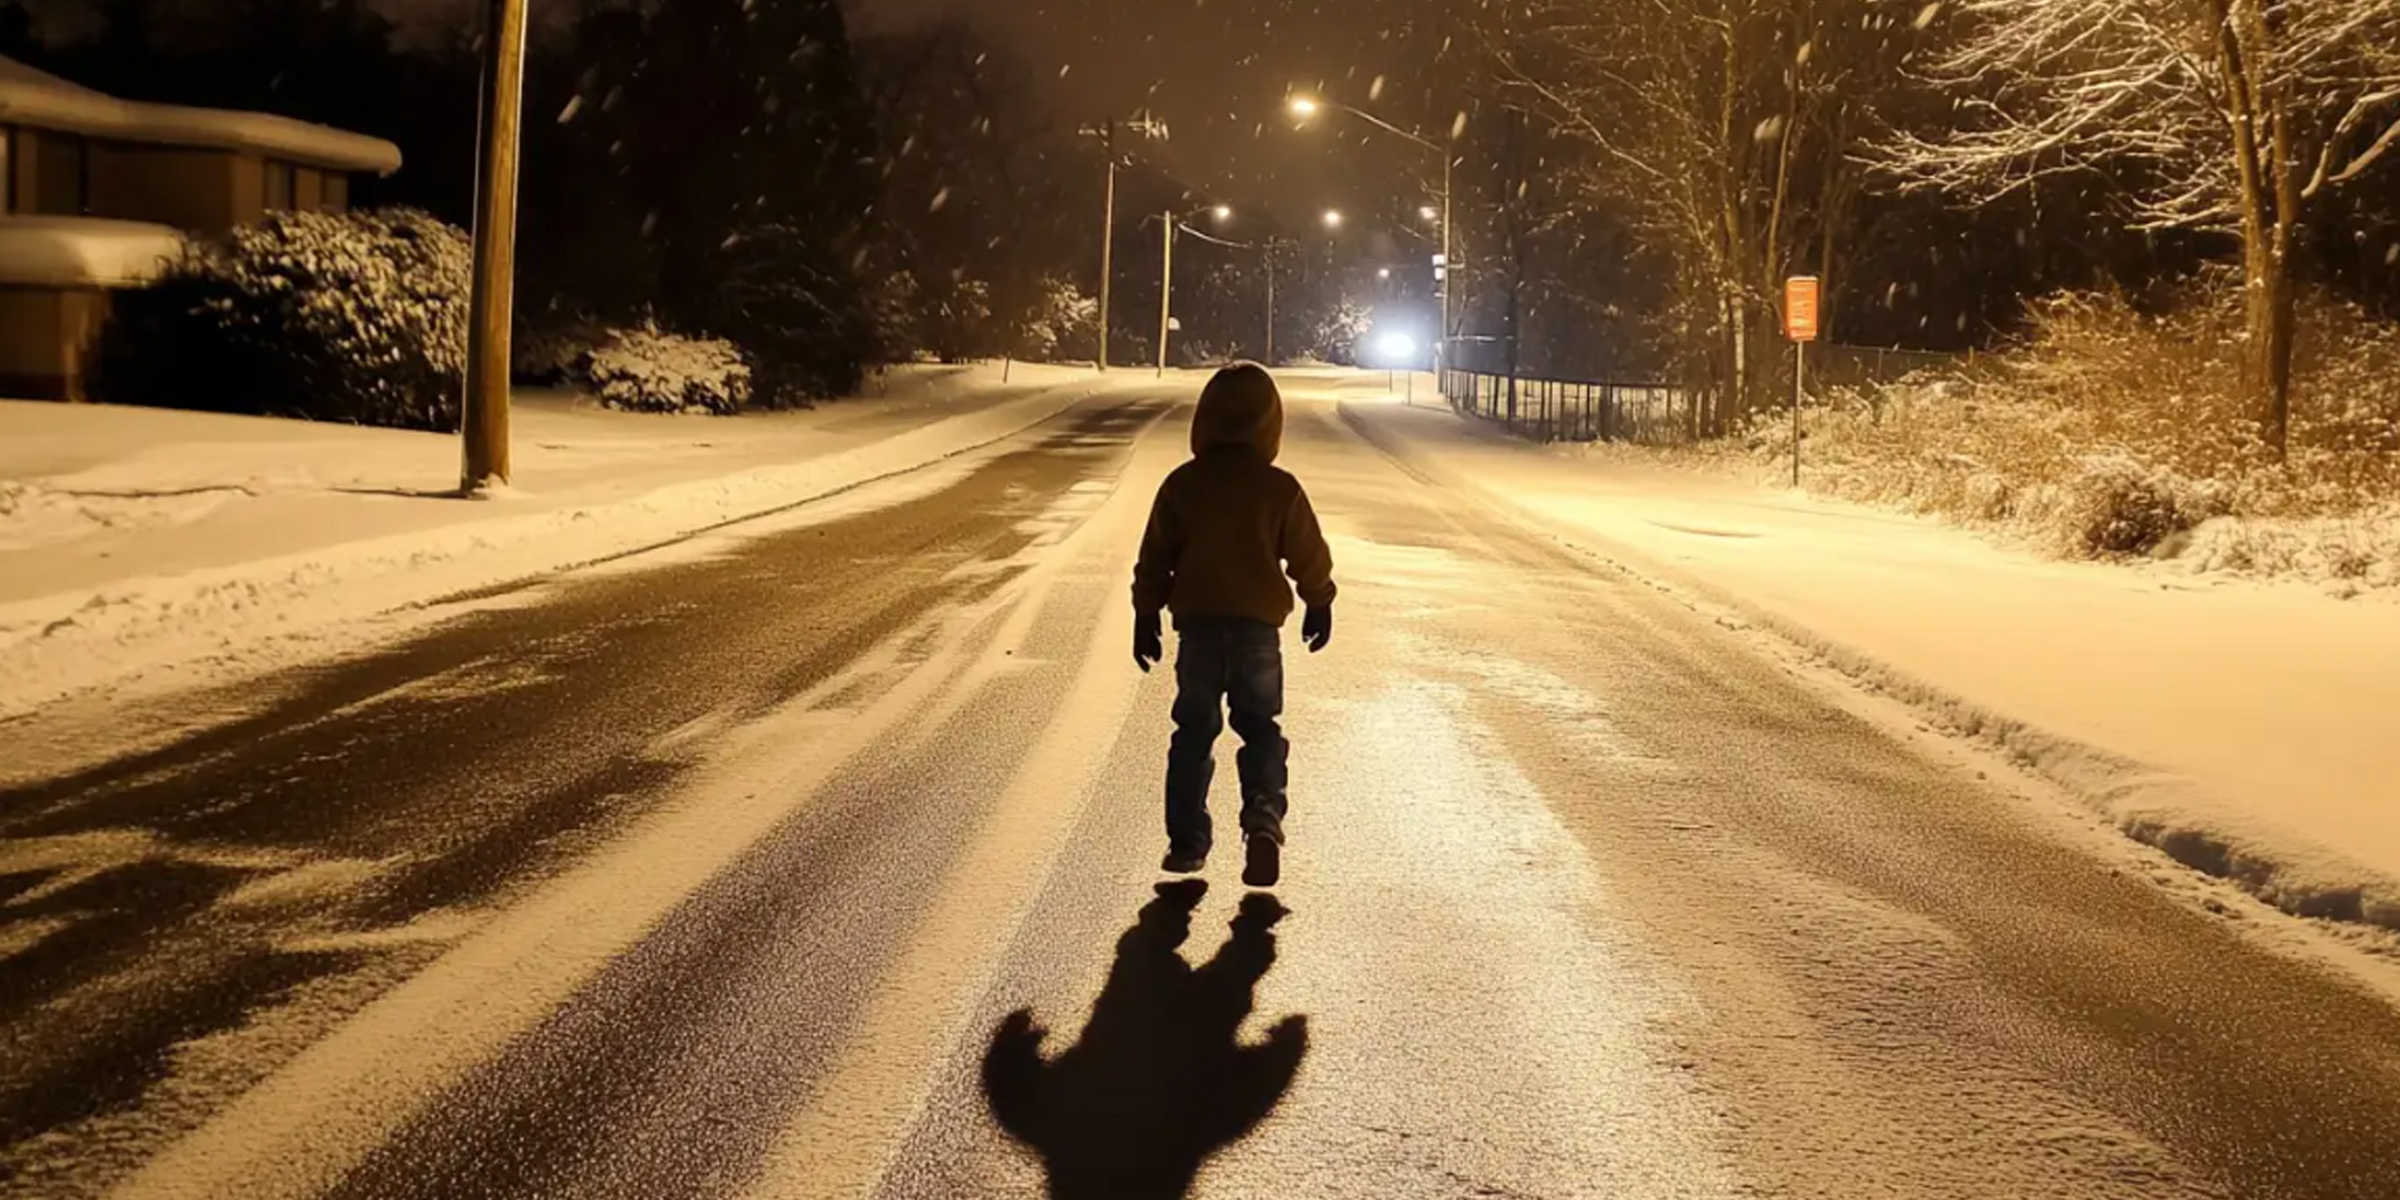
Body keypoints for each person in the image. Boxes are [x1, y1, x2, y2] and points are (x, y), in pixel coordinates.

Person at [1131, 363, 1335, 888]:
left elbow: (1155, 557)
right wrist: (1319, 600)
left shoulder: (1183, 485)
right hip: (1256, 634)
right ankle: (1263, 815)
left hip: (1198, 630)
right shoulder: (1279, 489)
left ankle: (1186, 843)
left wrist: (1146, 613)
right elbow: (1306, 553)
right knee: (1261, 728)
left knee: (1193, 733)